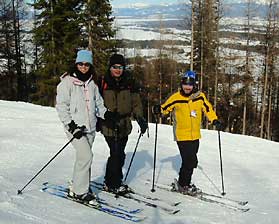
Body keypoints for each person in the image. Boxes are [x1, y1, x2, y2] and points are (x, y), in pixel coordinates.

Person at [152, 70, 222, 195]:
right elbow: (165, 108)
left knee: (190, 161)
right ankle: (183, 184)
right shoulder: (176, 98)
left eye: (190, 84)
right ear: (181, 84)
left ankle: (184, 182)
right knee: (190, 161)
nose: (187, 87)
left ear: (194, 85)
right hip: (181, 135)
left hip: (195, 134)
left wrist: (214, 119)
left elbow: (208, 109)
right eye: (185, 84)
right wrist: (158, 110)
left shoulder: (200, 97)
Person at [56, 49, 107, 202]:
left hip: (90, 127)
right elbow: (61, 106)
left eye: (87, 64)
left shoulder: (92, 83)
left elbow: (98, 103)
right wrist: (71, 126)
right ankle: (79, 192)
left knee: (83, 158)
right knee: (86, 156)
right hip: (75, 128)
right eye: (81, 64)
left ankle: (80, 184)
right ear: (76, 64)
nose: (84, 67)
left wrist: (107, 115)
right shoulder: (67, 82)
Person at [96, 53, 148, 194]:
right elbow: (96, 102)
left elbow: (136, 102)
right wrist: (97, 120)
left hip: (124, 124)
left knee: (121, 154)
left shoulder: (129, 82)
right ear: (110, 67)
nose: (118, 70)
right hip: (108, 124)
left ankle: (114, 180)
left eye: (120, 67)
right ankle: (112, 183)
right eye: (115, 67)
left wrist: (140, 118)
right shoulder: (102, 82)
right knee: (115, 153)